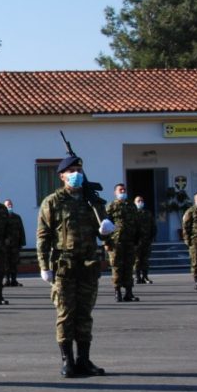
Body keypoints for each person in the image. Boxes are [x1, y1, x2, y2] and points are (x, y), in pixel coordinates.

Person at [36, 154, 115, 378]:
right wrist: (44, 266)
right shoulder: (52, 202)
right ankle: (67, 360)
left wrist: (108, 233)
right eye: (71, 172)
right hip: (64, 267)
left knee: (85, 315)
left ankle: (84, 360)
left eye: (79, 171)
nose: (76, 175)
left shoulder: (94, 202)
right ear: (62, 176)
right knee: (65, 314)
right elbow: (43, 237)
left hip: (88, 266)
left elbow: (108, 239)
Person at [104, 182, 140, 301]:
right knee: (117, 267)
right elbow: (105, 226)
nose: (123, 192)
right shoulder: (111, 206)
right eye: (120, 190)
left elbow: (136, 223)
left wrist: (137, 240)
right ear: (115, 192)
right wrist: (107, 242)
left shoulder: (131, 205)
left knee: (129, 267)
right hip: (116, 242)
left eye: (124, 190)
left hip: (129, 241)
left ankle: (129, 292)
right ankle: (117, 291)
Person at [132, 195, 155, 284]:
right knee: (137, 260)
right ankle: (138, 277)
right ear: (135, 203)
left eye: (141, 200)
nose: (140, 202)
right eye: (138, 201)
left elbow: (153, 226)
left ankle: (145, 276)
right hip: (136, 241)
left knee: (145, 259)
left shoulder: (148, 213)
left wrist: (152, 236)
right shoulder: (132, 213)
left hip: (146, 240)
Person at [3, 199, 26, 287]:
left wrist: (22, 242)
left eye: (10, 205)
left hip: (15, 244)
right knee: (5, 263)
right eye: (7, 205)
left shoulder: (17, 217)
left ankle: (14, 280)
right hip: (5, 245)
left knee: (14, 262)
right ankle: (6, 280)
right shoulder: (2, 218)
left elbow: (21, 230)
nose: (9, 206)